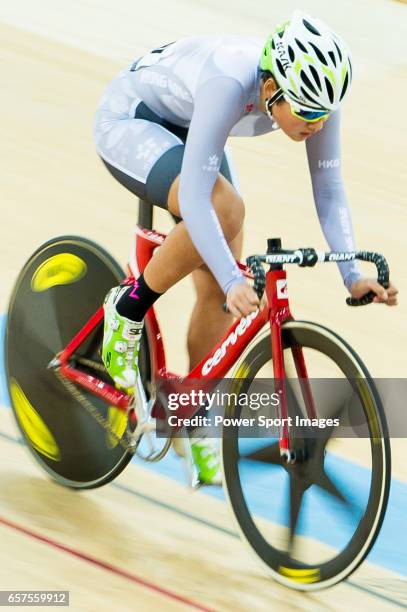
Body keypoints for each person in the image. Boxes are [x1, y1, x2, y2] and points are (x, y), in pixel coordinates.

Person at [94, 10, 398, 484]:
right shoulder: (230, 80)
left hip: (191, 130)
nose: (316, 125)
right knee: (226, 210)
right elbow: (196, 197)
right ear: (273, 88)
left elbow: (330, 189)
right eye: (307, 112)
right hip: (133, 120)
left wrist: (351, 273)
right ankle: (128, 309)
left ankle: (193, 407)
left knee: (220, 281)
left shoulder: (316, 99)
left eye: (324, 114)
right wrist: (237, 278)